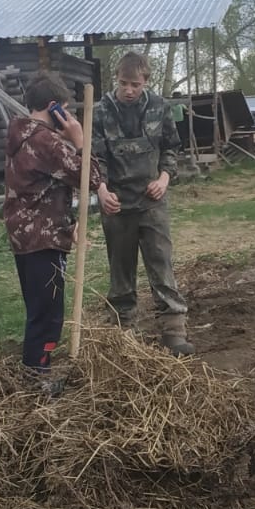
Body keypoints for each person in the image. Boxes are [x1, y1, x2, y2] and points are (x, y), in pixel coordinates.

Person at [3, 74, 102, 389]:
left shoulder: (20, 134)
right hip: (42, 239)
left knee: (38, 309)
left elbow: (41, 191)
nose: (70, 117)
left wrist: (68, 224)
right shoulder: (46, 141)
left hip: (26, 234)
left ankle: (34, 372)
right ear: (54, 107)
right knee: (48, 314)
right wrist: (79, 139)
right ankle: (37, 380)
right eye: (67, 110)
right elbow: (91, 176)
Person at [92, 50, 193, 357]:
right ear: (116, 80)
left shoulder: (160, 108)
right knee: (120, 269)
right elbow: (96, 158)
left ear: (145, 81)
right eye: (123, 83)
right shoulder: (100, 112)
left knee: (161, 263)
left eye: (135, 84)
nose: (128, 90)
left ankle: (173, 330)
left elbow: (171, 149)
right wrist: (101, 189)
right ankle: (123, 332)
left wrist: (163, 179)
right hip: (117, 204)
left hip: (152, 202)